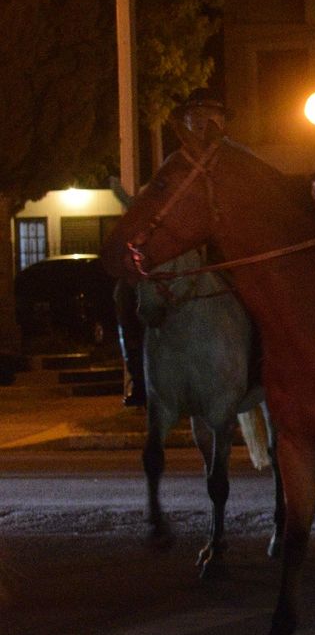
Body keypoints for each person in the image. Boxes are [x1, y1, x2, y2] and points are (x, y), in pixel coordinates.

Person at [115, 88, 234, 406]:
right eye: (194, 118)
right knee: (127, 294)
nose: (201, 125)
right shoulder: (175, 164)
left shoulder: (233, 160)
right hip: (178, 254)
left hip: (226, 252)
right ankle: (141, 379)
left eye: (210, 118)